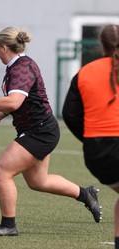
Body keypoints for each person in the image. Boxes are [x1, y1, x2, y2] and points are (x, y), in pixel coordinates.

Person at [0, 26, 102, 236]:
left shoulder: (22, 68)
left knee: (1, 171)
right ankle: (86, 194)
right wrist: (0, 114)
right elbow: (25, 101)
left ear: (5, 47)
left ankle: (8, 225)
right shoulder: (17, 66)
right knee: (38, 181)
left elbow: (15, 101)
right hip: (40, 129)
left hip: (40, 131)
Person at [62, 24, 119, 248]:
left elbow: (70, 114)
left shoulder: (84, 73)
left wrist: (90, 139)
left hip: (97, 154)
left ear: (101, 45)